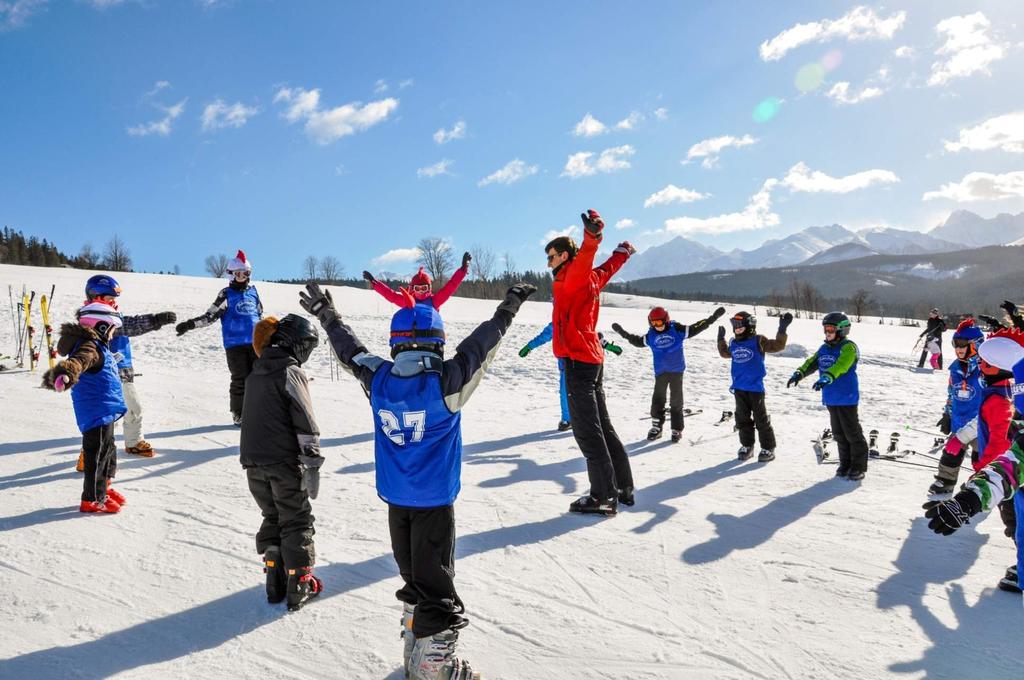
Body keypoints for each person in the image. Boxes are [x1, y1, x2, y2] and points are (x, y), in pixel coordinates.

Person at [300, 280, 535, 680]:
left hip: (396, 501)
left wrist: (327, 315)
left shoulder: (381, 380)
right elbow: (481, 347)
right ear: (438, 342)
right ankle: (434, 666)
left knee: (414, 576)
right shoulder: (446, 383)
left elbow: (350, 352)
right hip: (434, 503)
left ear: (395, 342)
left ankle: (415, 648)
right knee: (437, 584)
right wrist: (509, 307)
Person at [547, 209, 635, 516]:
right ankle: (623, 486)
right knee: (603, 426)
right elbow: (606, 269)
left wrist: (593, 236)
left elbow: (585, 256)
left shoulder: (575, 274)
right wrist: (622, 253)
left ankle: (603, 495)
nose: (549, 262)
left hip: (578, 360)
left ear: (565, 255)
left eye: (553, 255)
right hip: (591, 358)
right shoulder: (587, 278)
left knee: (587, 431)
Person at [925, 327, 1024, 595]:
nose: (980, 364)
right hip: (1003, 475)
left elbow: (1007, 451)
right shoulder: (999, 391)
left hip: (1006, 478)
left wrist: (974, 490)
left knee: (1016, 523)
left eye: (986, 361)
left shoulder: (1003, 400)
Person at [240, 314, 324, 611]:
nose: (307, 353)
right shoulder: (290, 372)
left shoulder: (256, 371)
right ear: (293, 343)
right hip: (283, 461)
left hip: (253, 462)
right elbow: (304, 418)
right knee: (296, 517)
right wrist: (311, 460)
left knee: (273, 515)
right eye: (306, 346)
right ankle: (299, 582)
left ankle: (274, 573)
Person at [73, 274, 177, 471]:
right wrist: (155, 320)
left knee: (134, 409)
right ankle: (88, 454)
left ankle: (133, 442)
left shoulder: (114, 316)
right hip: (103, 377)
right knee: (102, 419)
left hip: (123, 373)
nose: (112, 302)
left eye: (114, 299)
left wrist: (156, 320)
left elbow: (129, 324)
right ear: (94, 296)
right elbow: (132, 325)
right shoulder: (93, 319)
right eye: (108, 298)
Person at [42, 301, 128, 513]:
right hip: (95, 409)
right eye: (111, 329)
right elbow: (78, 362)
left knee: (108, 450)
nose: (112, 334)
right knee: (96, 454)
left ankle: (104, 488)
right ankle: (92, 498)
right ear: (100, 326)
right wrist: (66, 373)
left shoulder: (97, 345)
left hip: (103, 408)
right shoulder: (88, 347)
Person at [612, 305, 724, 443]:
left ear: (666, 320)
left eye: (659, 322)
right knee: (658, 399)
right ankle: (656, 427)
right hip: (661, 372)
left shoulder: (677, 329)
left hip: (676, 370)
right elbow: (636, 341)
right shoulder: (651, 335)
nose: (657, 326)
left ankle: (677, 429)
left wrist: (713, 317)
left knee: (676, 400)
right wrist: (621, 332)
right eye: (653, 323)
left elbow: (697, 327)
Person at [175, 250, 263, 425]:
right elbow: (210, 316)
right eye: (239, 274)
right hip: (234, 344)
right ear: (231, 275)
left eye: (246, 273)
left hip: (255, 343)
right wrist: (190, 324)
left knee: (258, 378)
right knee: (240, 378)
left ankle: (257, 411)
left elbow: (259, 315)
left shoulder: (253, 293)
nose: (243, 277)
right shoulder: (226, 295)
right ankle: (238, 413)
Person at [787, 312, 869, 481]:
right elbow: (812, 362)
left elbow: (842, 365)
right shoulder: (824, 348)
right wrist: (799, 373)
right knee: (839, 433)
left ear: (842, 330)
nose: (827, 333)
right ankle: (845, 463)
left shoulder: (848, 347)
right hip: (831, 397)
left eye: (831, 329)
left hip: (846, 396)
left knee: (852, 433)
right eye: (826, 329)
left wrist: (827, 376)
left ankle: (858, 466)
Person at [716, 310, 793, 462]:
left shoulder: (758, 340)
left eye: (740, 325)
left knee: (761, 419)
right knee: (742, 419)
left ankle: (768, 448)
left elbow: (777, 345)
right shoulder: (735, 343)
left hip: (755, 389)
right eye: (734, 325)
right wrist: (720, 340)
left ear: (749, 326)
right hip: (739, 388)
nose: (736, 328)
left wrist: (782, 329)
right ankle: (747, 446)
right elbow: (725, 353)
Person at [519, 324, 622, 432]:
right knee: (567, 391)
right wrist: (529, 346)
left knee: (583, 392)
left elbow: (591, 335)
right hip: (568, 363)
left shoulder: (572, 319)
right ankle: (568, 420)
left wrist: (606, 345)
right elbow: (544, 336)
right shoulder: (557, 323)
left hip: (582, 362)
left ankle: (591, 420)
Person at [929, 320, 984, 495]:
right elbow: (951, 394)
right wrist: (947, 415)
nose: (958, 349)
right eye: (955, 344)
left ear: (975, 345)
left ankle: (980, 487)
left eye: (962, 344)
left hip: (980, 425)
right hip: (960, 421)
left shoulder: (986, 370)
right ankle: (945, 481)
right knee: (950, 453)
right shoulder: (955, 370)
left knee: (981, 458)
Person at [363, 252, 471, 310]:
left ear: (429, 288)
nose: (420, 291)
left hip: (430, 338)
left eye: (424, 288)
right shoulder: (407, 301)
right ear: (412, 288)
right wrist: (374, 283)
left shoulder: (435, 301)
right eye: (417, 288)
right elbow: (390, 295)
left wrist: (463, 269)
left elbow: (451, 286)